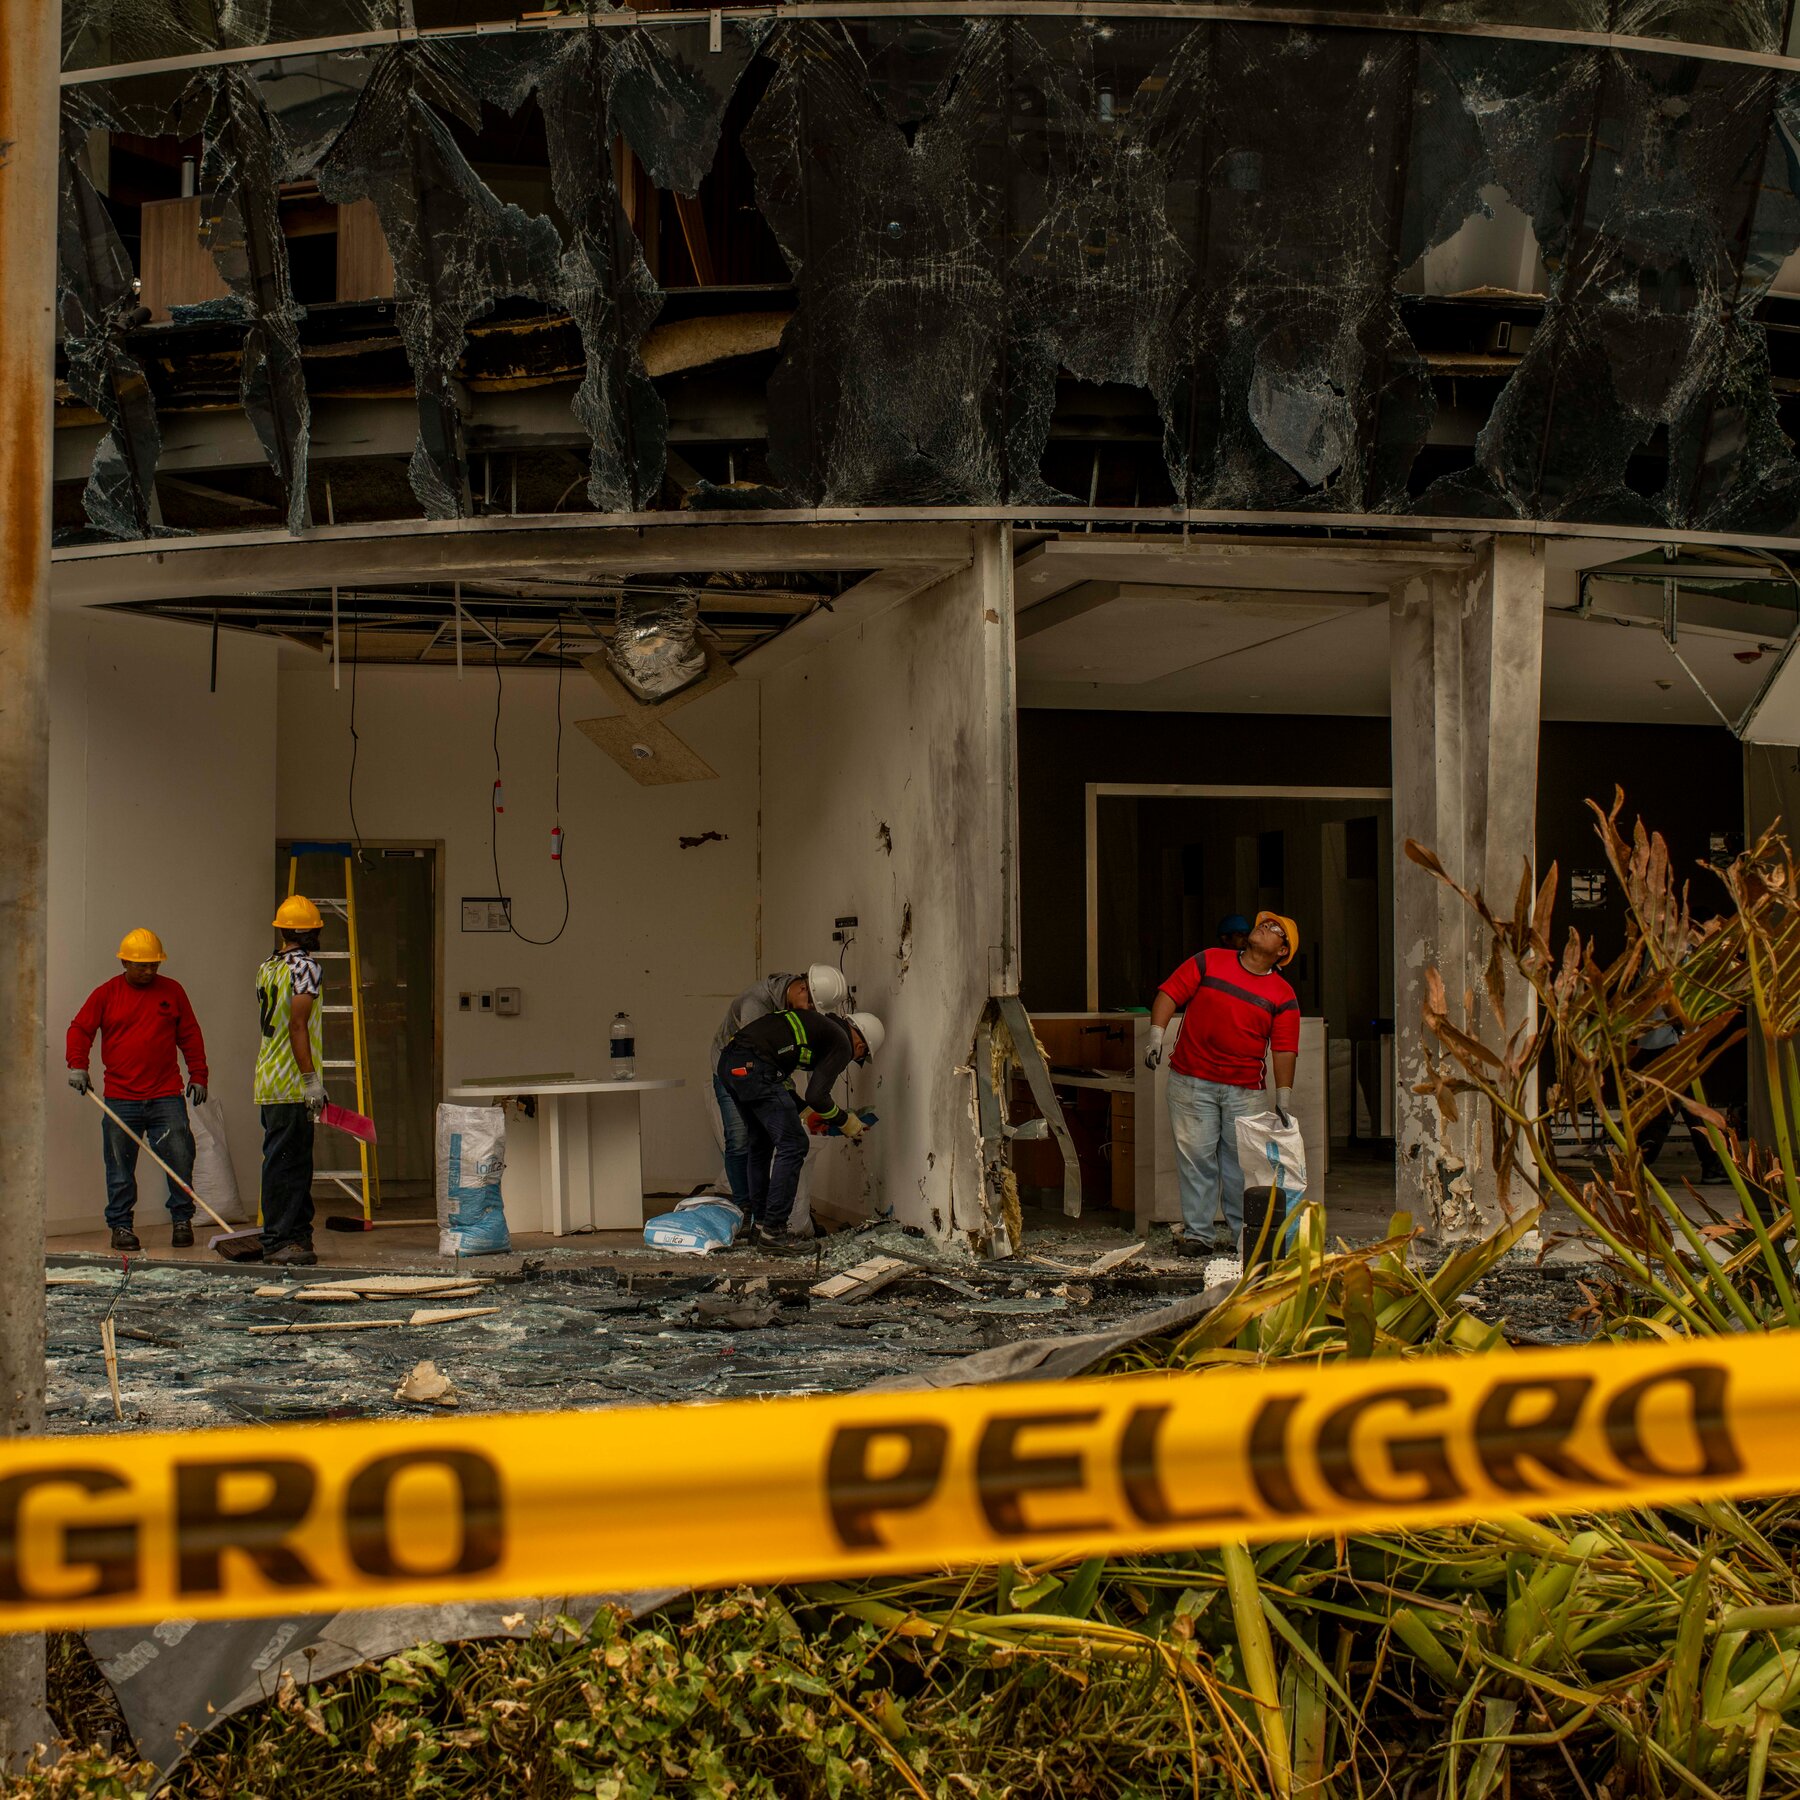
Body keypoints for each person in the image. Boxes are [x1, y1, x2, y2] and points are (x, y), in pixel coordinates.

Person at [1144, 911, 1300, 1254]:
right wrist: (1156, 1035)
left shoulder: (1283, 994)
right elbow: (1170, 993)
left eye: (1276, 929)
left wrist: (1284, 1098)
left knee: (1241, 1167)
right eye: (1264, 922)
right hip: (1190, 1081)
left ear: (1282, 952)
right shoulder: (1209, 960)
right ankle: (1199, 1236)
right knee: (1196, 1161)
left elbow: (1285, 1048)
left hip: (1245, 1091)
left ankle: (1243, 1238)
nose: (1265, 926)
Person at [66, 928, 209, 1252]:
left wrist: (198, 1074)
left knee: (180, 1158)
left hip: (166, 1095)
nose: (148, 971)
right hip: (121, 1098)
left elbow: (190, 1034)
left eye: (154, 965)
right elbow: (80, 1029)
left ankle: (182, 1220)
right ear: (125, 963)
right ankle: (121, 1226)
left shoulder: (172, 991)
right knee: (119, 1166)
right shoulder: (106, 994)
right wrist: (77, 1065)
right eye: (142, 966)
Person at [717, 1008, 884, 1245]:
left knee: (761, 1143)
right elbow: (817, 1095)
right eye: (860, 1056)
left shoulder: (819, 1029)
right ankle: (774, 1231)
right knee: (794, 1144)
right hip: (756, 1066)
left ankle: (761, 1225)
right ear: (861, 1045)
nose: (852, 1058)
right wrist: (844, 1121)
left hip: (731, 1063)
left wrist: (805, 1112)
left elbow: (782, 1080)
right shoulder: (842, 1042)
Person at [710, 963, 849, 1207]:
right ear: (802, 989)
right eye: (810, 1005)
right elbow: (757, 1060)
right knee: (740, 1139)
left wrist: (808, 1108)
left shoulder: (792, 999)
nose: (809, 1011)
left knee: (762, 1139)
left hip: (763, 1070)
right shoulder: (756, 1004)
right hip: (735, 1069)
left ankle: (759, 1214)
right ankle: (744, 1208)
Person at [255, 895, 328, 1267]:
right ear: (313, 932)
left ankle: (297, 1236)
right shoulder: (306, 967)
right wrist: (311, 1079)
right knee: (286, 1164)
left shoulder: (268, 966)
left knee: (291, 1162)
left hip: (269, 1077)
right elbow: (297, 1025)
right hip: (290, 1081)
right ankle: (278, 1240)